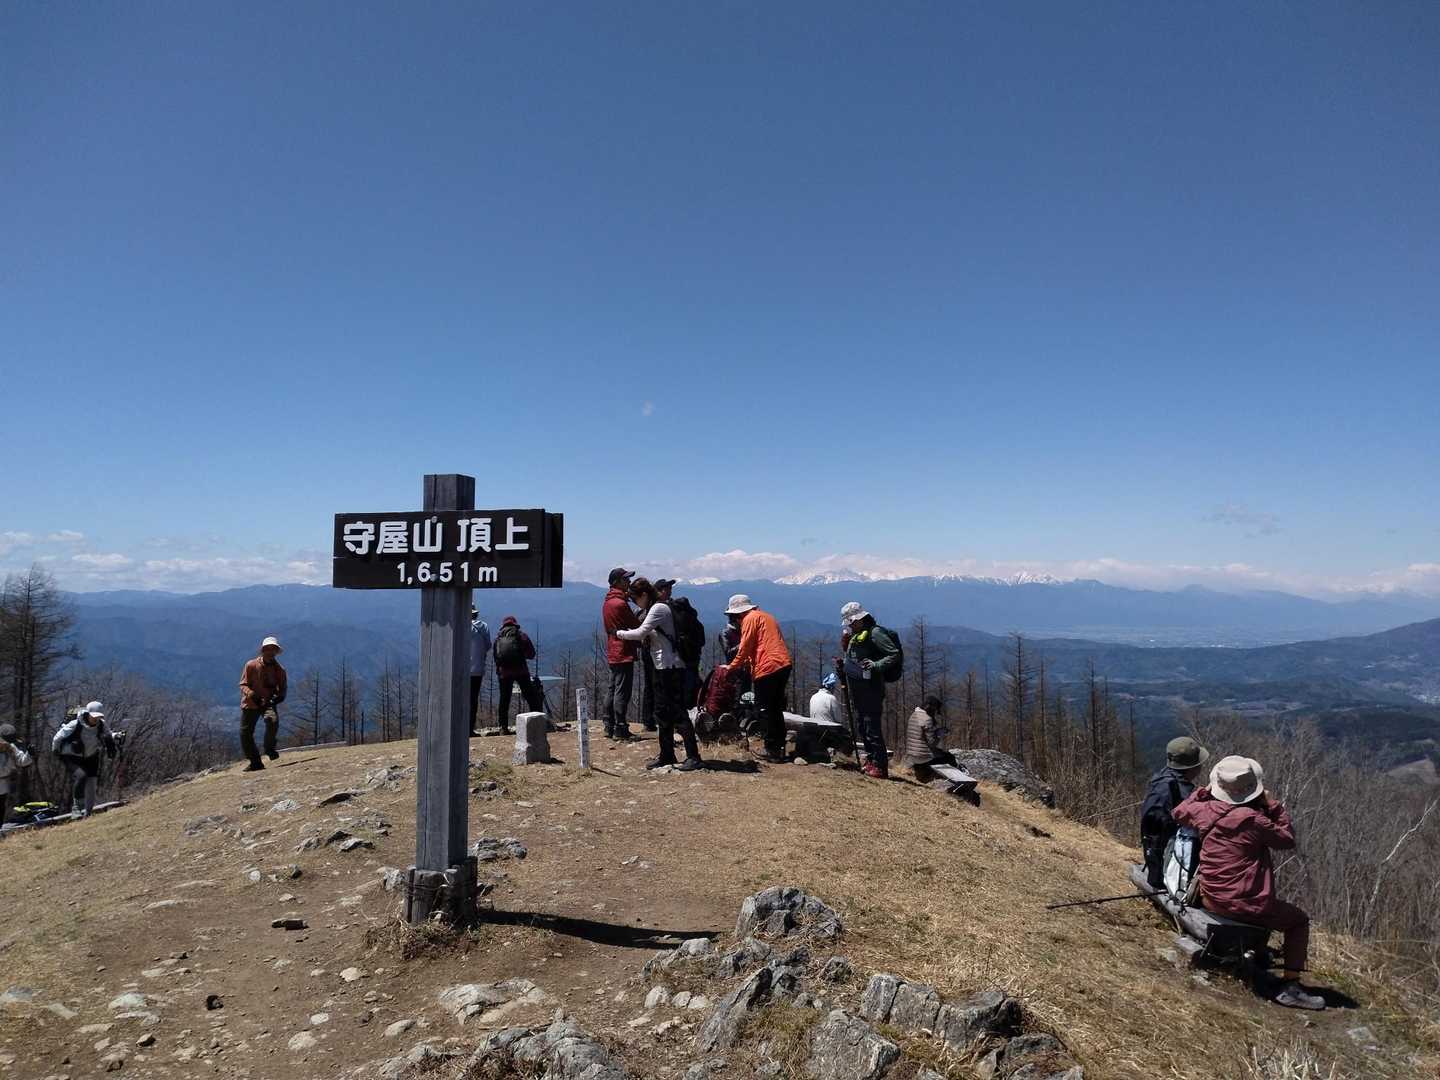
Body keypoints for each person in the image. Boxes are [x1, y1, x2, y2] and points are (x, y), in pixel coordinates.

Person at [1173, 755, 1326, 1011]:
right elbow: (1287, 839)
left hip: (1210, 897)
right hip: (1244, 906)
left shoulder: (1203, 810)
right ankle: (1291, 986)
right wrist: (1272, 805)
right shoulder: (1254, 820)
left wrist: (1202, 792)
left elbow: (1178, 811)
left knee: (1270, 912)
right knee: (1298, 921)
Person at [617, 578, 702, 771]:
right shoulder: (655, 608)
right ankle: (666, 754)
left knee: (678, 712)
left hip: (671, 667)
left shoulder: (658, 608)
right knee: (662, 712)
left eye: (635, 599)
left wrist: (619, 633)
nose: (635, 603)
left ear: (644, 595)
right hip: (662, 667)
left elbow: (640, 633)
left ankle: (693, 756)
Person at [724, 594, 792, 763]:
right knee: (775, 708)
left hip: (767, 667)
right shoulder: (767, 617)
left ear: (739, 613)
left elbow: (745, 647)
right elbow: (761, 644)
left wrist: (732, 667)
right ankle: (779, 747)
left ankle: (771, 749)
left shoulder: (749, 619)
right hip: (783, 664)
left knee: (764, 709)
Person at [839, 602, 902, 779]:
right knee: (862, 723)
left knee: (871, 725)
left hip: (872, 686)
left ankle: (880, 766)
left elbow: (894, 654)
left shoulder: (875, 633)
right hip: (859, 685)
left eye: (852, 622)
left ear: (861, 618)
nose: (850, 625)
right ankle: (871, 759)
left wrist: (876, 665)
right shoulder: (857, 634)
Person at [1139, 736, 1210, 888]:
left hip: (1155, 852)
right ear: (1192, 767)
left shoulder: (1161, 778)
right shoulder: (1181, 791)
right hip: (1172, 860)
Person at [52, 701, 116, 817]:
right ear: (87, 713)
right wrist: (55, 750)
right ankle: (77, 808)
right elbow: (57, 737)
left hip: (91, 756)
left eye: (98, 717)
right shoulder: (75, 724)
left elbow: (108, 733)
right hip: (71, 756)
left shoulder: (101, 725)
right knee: (81, 776)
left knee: (92, 782)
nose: (96, 719)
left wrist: (115, 738)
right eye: (94, 716)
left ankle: (88, 813)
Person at [239, 636, 287, 771]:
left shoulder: (280, 670)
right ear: (263, 650)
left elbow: (283, 687)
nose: (270, 652)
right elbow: (243, 684)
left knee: (272, 721)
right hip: (250, 703)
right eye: (268, 649)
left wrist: (280, 697)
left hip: (268, 702)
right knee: (245, 733)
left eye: (273, 649)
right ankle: (255, 762)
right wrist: (251, 694)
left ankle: (269, 748)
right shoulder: (251, 665)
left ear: (276, 652)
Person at [602, 567, 639, 741]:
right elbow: (635, 624)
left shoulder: (608, 602)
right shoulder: (620, 604)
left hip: (613, 649)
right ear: (617, 582)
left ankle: (608, 725)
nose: (629, 582)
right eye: (626, 579)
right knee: (622, 691)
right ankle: (620, 727)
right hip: (623, 650)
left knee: (612, 688)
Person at [657, 578, 704, 710]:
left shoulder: (667, 610)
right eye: (667, 588)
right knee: (691, 683)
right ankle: (692, 710)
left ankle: (681, 713)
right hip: (693, 655)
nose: (670, 591)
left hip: (679, 656)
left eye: (670, 588)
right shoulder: (688, 613)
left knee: (678, 688)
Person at [493, 616, 545, 734]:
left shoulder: (498, 638)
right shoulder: (522, 636)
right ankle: (537, 723)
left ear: (503, 626)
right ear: (515, 625)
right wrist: (521, 655)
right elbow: (531, 654)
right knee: (530, 697)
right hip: (521, 671)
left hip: (504, 673)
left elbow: (496, 657)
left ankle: (503, 727)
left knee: (504, 699)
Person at [901, 696, 954, 780]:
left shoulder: (914, 714)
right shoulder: (927, 719)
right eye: (935, 710)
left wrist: (935, 731)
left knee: (940, 753)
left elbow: (921, 735)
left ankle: (920, 769)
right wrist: (939, 733)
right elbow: (932, 742)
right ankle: (942, 778)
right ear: (931, 708)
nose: (935, 713)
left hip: (911, 754)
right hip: (922, 756)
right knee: (949, 757)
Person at [0, 722, 34, 825]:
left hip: (3, 785)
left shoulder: (11, 747)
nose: (7, 744)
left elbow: (22, 761)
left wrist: (29, 753)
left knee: (1, 809)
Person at [468, 606, 492, 736]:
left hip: (461, 670)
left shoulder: (460, 625)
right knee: (473, 700)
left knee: (458, 699)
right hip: (477, 669)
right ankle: (469, 729)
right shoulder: (484, 626)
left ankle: (457, 727)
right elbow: (488, 645)